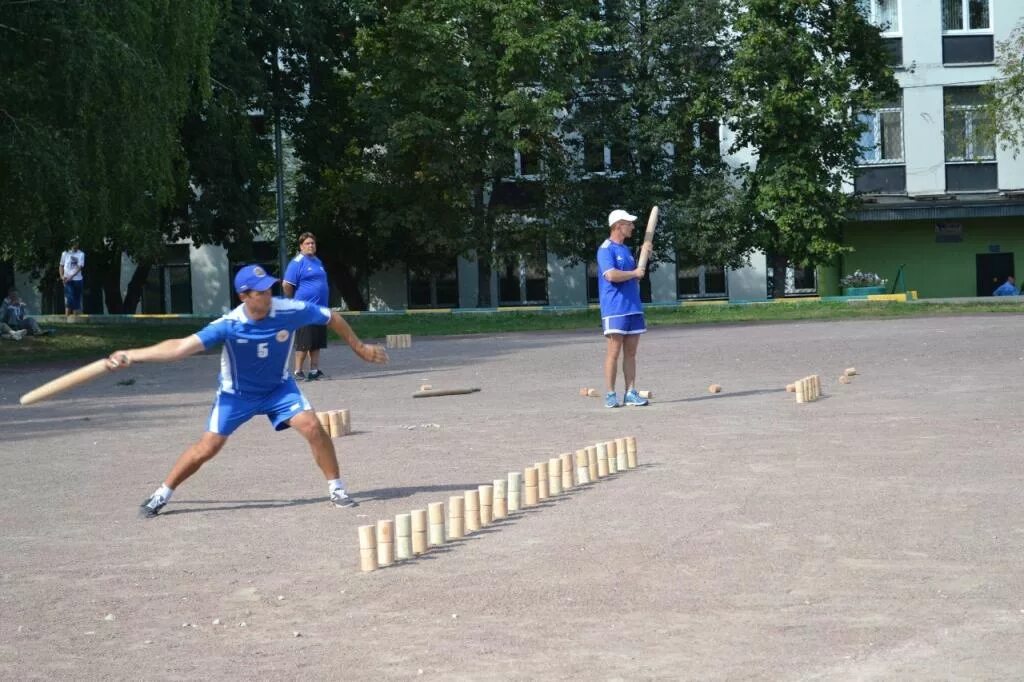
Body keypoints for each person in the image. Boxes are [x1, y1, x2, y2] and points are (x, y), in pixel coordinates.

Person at [106, 264, 389, 518]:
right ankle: (162, 494)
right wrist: (133, 355)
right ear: (244, 296)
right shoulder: (229, 325)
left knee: (313, 426)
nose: (267, 295)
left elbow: (332, 318)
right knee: (208, 447)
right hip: (236, 395)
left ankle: (336, 488)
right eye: (260, 292)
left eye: (269, 289)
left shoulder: (288, 310)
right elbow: (178, 347)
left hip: (279, 389)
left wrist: (360, 348)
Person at [596, 209, 653, 408]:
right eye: (629, 223)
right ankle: (611, 394)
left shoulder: (626, 250)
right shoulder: (606, 249)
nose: (632, 226)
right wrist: (635, 272)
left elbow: (636, 274)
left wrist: (644, 258)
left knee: (631, 354)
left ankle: (630, 392)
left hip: (633, 307)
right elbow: (611, 275)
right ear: (618, 225)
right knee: (613, 352)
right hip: (615, 308)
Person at [283, 232, 330, 381]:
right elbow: (287, 284)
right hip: (305, 309)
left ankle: (314, 370)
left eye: (313, 243)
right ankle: (298, 371)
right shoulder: (297, 262)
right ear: (301, 246)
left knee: (316, 341)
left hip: (320, 309)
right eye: (308, 243)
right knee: (304, 341)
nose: (311, 246)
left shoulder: (317, 261)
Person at [59, 239, 86, 318]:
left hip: (78, 280)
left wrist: (71, 276)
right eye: (74, 243)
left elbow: (79, 267)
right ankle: (67, 318)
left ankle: (75, 318)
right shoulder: (65, 253)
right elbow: (61, 265)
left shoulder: (81, 254)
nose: (76, 244)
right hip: (67, 280)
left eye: (77, 242)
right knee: (69, 298)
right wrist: (62, 276)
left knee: (77, 299)